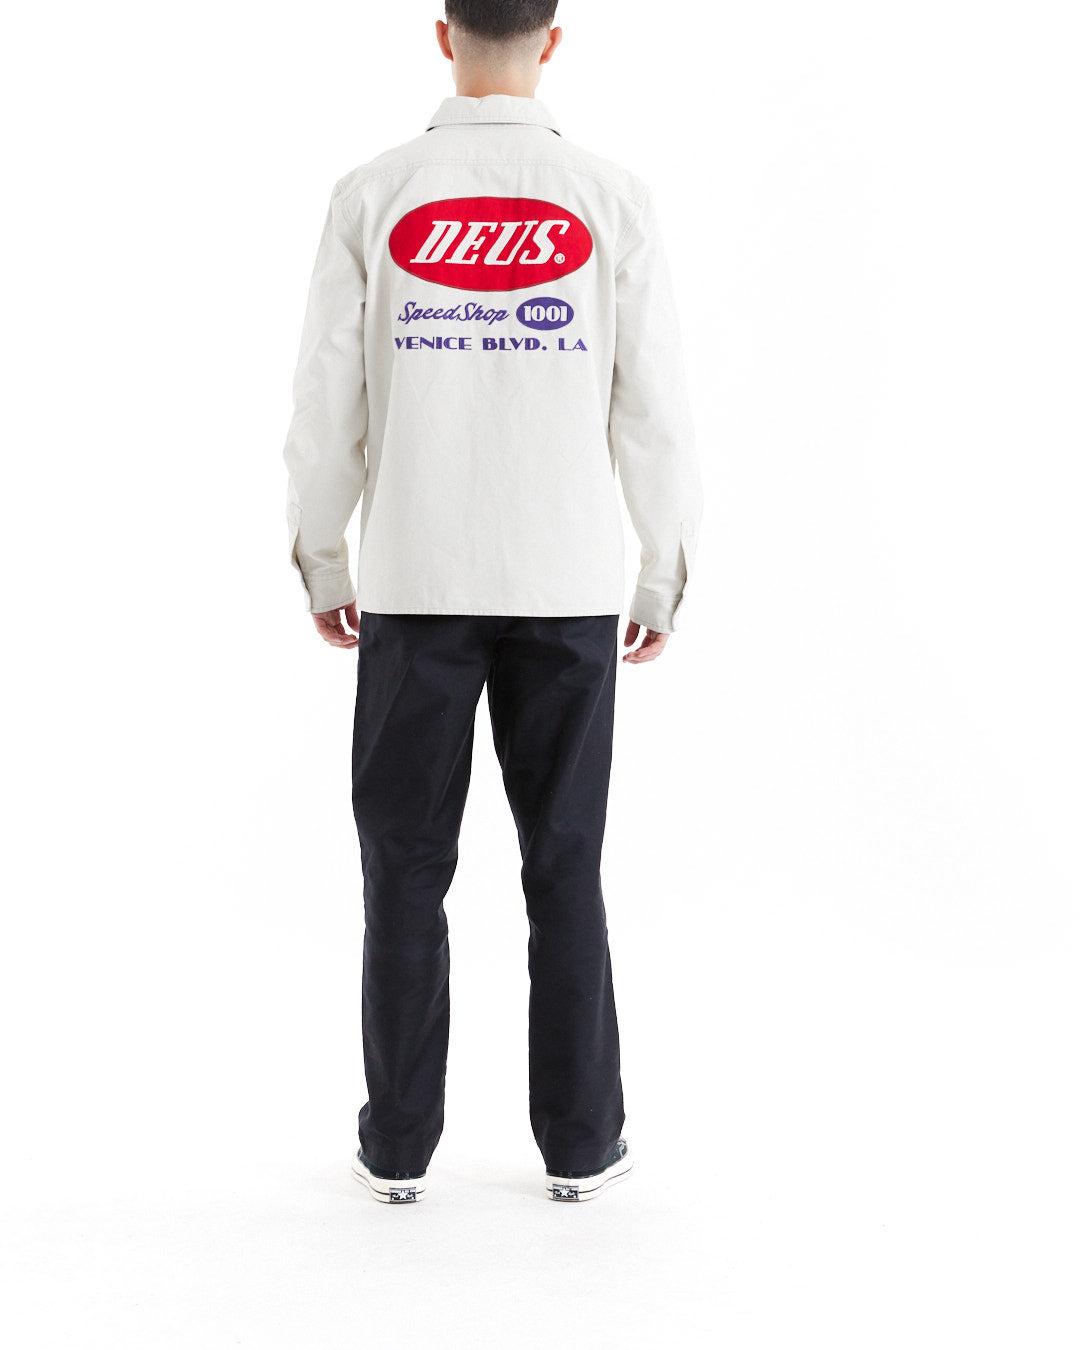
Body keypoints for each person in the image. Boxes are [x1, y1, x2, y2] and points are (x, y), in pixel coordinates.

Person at [283, 0, 702, 1205]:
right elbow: (654, 405)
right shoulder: (611, 197)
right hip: (565, 582)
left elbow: (325, 403)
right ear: (553, 40)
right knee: (565, 865)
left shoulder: (374, 193)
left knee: (403, 867)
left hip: (414, 579)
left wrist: (323, 558)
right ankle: (582, 1145)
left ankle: (396, 1148)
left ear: (442, 33)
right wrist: (662, 566)